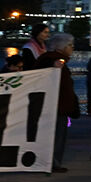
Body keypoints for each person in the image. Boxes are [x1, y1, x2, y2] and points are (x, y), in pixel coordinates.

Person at [33, 33, 79, 172]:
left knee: (55, 135)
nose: (72, 48)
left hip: (57, 105)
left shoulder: (53, 59)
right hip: (56, 105)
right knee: (56, 136)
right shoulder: (52, 60)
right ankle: (52, 163)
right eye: (70, 45)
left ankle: (51, 162)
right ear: (62, 47)